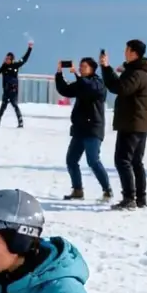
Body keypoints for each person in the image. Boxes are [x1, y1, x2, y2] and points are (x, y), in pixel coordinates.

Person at [101, 40, 147, 211]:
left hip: (132, 122)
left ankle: (129, 198)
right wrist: (107, 68)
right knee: (136, 161)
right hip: (140, 122)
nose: (124, 52)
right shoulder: (144, 72)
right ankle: (140, 198)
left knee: (123, 160)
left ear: (134, 53)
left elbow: (121, 88)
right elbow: (121, 86)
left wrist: (107, 69)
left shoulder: (137, 73)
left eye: (127, 50)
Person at [55, 58, 112, 201]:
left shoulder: (98, 83)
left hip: (93, 129)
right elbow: (65, 90)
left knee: (93, 161)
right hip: (79, 129)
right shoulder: (81, 83)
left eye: (84, 67)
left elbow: (90, 88)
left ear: (92, 69)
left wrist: (78, 77)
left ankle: (107, 190)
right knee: (71, 160)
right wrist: (59, 73)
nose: (81, 69)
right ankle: (77, 190)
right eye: (80, 67)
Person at [0, 42, 33, 128]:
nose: (6, 60)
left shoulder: (15, 65)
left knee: (15, 106)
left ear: (12, 59)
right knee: (2, 107)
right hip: (6, 90)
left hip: (13, 90)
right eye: (6, 58)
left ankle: (20, 122)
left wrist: (29, 48)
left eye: (8, 58)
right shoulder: (4, 66)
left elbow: (24, 59)